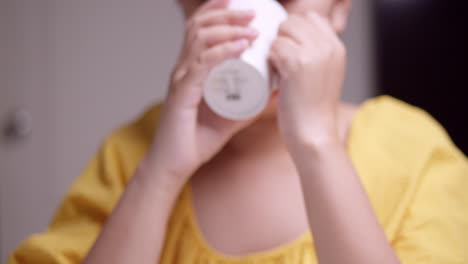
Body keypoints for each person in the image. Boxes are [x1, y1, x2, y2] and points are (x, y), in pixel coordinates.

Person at [8, 0, 468, 263]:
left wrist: (318, 146)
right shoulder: (133, 158)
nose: (251, 33)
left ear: (338, 9)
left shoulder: (411, 151)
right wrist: (159, 176)